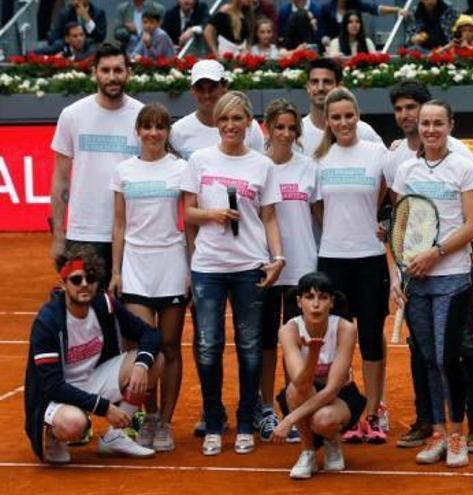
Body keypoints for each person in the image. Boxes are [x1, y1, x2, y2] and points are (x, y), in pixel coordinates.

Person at [385, 81, 473, 454]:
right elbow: (400, 226)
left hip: (452, 276)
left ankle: (459, 434)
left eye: (437, 123)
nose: (429, 129)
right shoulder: (406, 169)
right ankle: (439, 433)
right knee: (427, 358)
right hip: (415, 279)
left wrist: (435, 253)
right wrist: (397, 274)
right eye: (425, 123)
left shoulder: (464, 167)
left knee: (448, 358)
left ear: (450, 126)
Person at [180, 91, 285, 457]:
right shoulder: (199, 160)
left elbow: (270, 216)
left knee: (250, 348)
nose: (230, 125)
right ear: (216, 123)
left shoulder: (262, 164)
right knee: (208, 347)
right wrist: (213, 215)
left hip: (249, 266)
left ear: (248, 124)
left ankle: (244, 422)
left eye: (237, 119)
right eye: (224, 119)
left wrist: (277, 257)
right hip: (208, 267)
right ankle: (213, 422)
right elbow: (188, 213)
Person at [25, 245, 163, 464]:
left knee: (155, 361)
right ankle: (53, 434)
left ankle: (116, 436)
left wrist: (141, 365)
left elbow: (149, 333)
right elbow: (52, 385)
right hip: (57, 394)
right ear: (63, 283)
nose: (84, 285)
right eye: (76, 280)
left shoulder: (104, 304)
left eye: (90, 278)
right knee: (73, 424)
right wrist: (104, 407)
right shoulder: (47, 321)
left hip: (92, 379)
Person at [106, 103, 187, 453]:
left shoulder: (182, 169)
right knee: (142, 348)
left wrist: (191, 269)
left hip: (172, 266)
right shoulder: (123, 170)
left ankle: (166, 422)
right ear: (137, 131)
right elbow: (120, 224)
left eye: (160, 126)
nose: (153, 133)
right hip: (136, 270)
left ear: (167, 132)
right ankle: (149, 416)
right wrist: (115, 270)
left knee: (170, 347)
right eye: (147, 126)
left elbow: (189, 222)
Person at [314, 88, 391, 444]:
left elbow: (391, 200)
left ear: (357, 115)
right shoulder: (319, 159)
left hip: (370, 259)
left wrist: (379, 225)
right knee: (333, 342)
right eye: (336, 117)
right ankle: (344, 408)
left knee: (372, 338)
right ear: (327, 121)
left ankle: (373, 413)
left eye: (349, 115)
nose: (343, 123)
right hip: (332, 261)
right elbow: (318, 208)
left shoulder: (378, 154)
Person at [49, 43, 144, 287]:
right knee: (85, 315)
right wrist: (59, 236)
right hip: (83, 233)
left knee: (126, 315)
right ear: (95, 72)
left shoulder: (143, 117)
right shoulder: (73, 115)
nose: (112, 77)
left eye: (118, 70)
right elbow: (60, 178)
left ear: (128, 72)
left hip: (131, 234)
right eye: (105, 70)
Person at [257, 99, 321, 443]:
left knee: (297, 345)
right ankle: (267, 408)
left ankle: (292, 408)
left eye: (291, 128)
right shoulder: (255, 166)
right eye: (279, 126)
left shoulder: (308, 167)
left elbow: (320, 217)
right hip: (266, 269)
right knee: (266, 342)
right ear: (267, 127)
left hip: (303, 268)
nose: (285, 133)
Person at [270, 272, 366, 480]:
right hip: (303, 394)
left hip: (340, 396)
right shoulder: (289, 330)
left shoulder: (345, 329)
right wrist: (313, 353)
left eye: (323, 298)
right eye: (309, 297)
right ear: (299, 301)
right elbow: (300, 382)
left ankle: (331, 440)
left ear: (331, 302)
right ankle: (308, 452)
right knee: (297, 388)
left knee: (323, 420)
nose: (316, 304)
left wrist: (289, 420)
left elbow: (332, 388)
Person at [170, 59, 265, 161]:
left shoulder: (250, 127)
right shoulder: (177, 131)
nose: (207, 95)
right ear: (192, 90)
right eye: (200, 88)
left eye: (212, 88)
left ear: (225, 86)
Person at [300, 58, 383, 156]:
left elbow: (387, 165)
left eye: (327, 82)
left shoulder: (364, 132)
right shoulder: (296, 133)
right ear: (308, 87)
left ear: (339, 87)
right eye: (314, 82)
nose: (320, 88)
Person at [317, 0, 406, 47]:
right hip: (332, 45)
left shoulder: (356, 4)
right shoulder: (326, 8)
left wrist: (396, 9)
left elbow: (376, 9)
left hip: (353, 44)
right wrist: (329, 44)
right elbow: (322, 33)